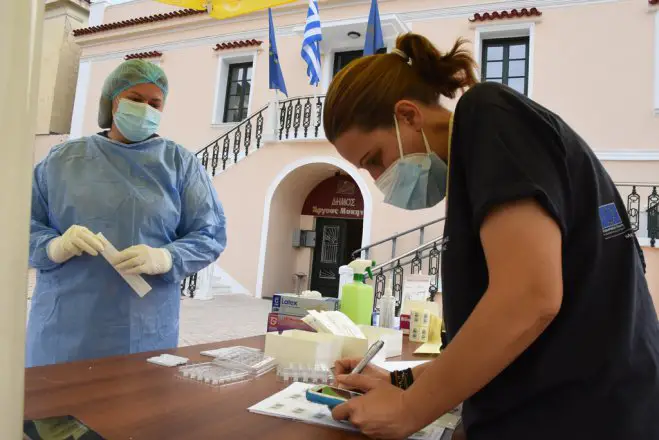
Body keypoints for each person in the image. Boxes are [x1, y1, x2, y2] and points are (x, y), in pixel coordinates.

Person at [324, 33, 659, 440]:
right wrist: (405, 383)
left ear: (408, 115)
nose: (379, 179)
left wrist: (409, 409)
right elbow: (530, 346)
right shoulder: (481, 167)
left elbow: (530, 298)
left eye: (374, 159)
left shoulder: (488, 113)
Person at [27, 60, 227, 367]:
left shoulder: (179, 164)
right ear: (112, 101)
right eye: (135, 99)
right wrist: (53, 247)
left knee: (137, 408)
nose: (146, 108)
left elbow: (210, 234)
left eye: (155, 103)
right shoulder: (63, 160)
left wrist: (166, 258)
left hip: (145, 331)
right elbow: (16, 225)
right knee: (54, 412)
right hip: (63, 332)